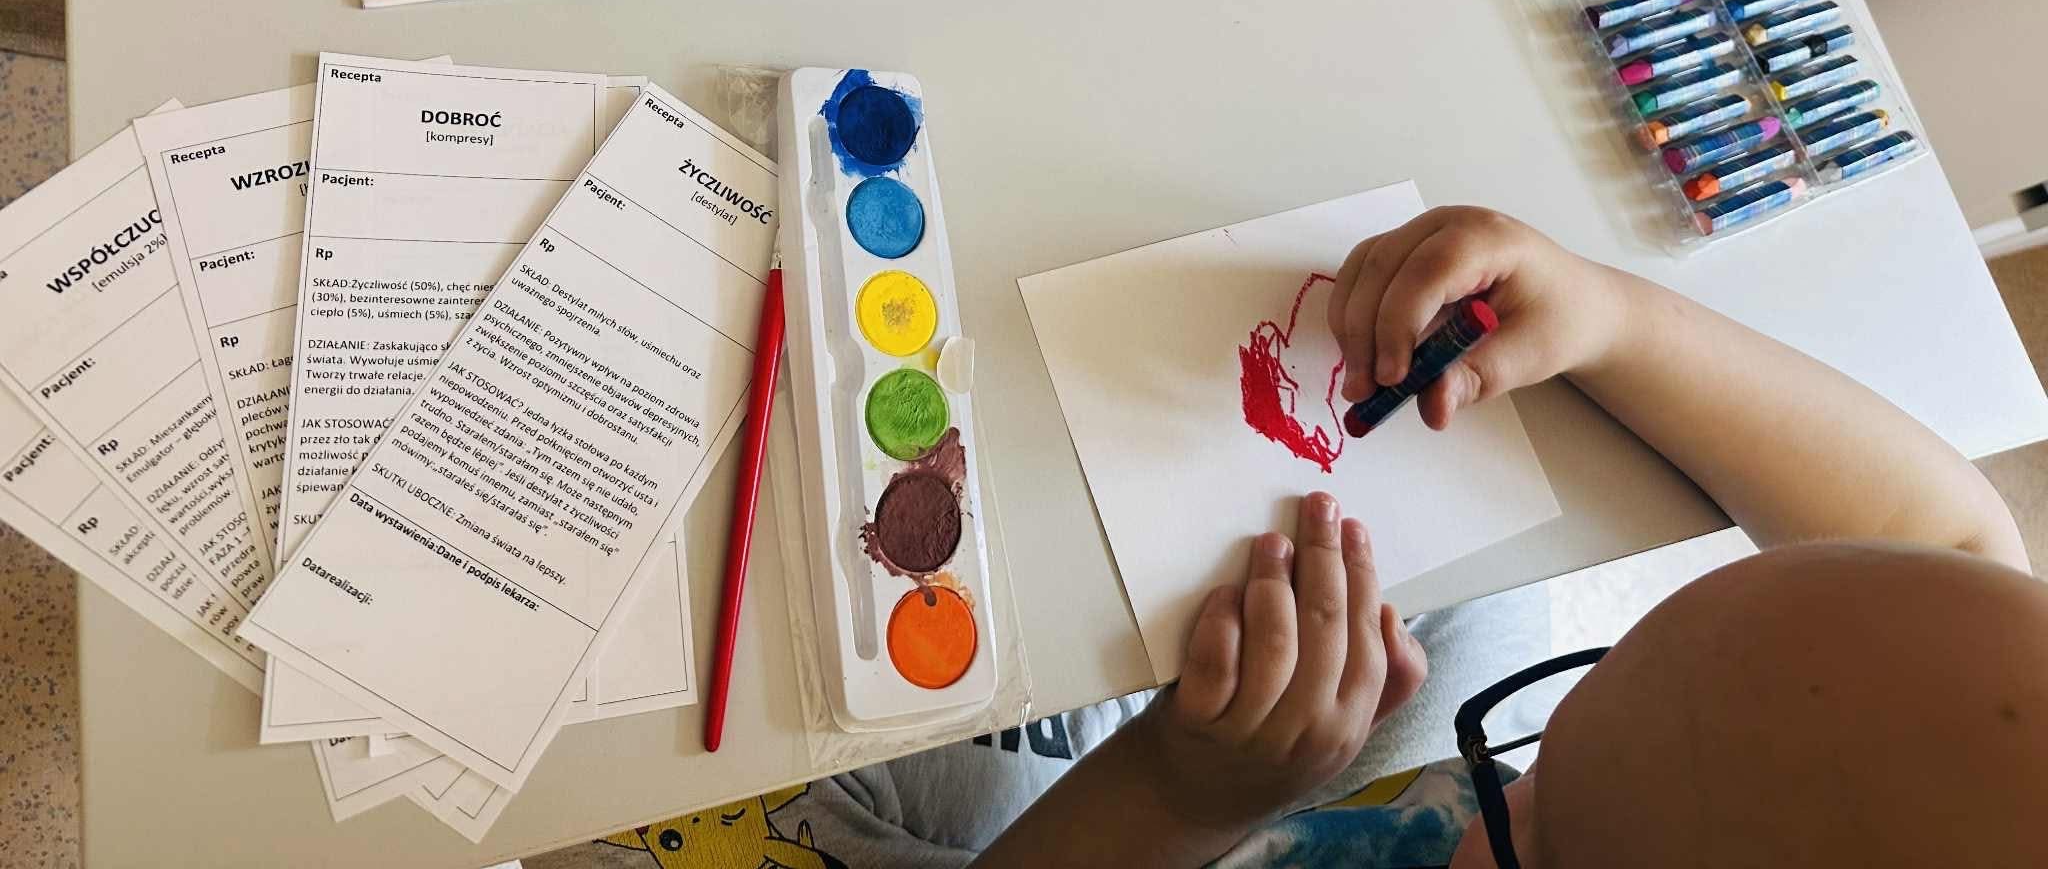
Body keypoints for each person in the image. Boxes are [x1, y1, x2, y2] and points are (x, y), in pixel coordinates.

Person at [534, 207, 2039, 869]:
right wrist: (1609, 318)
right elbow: (1947, 543)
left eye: (1536, 793)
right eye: (1566, 712)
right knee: (1474, 597)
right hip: (1368, 792)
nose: (1528, 755)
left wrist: (1176, 792)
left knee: (815, 738)